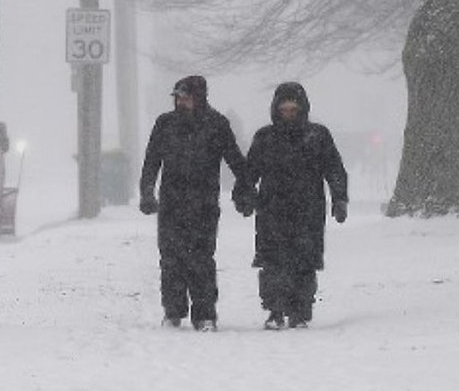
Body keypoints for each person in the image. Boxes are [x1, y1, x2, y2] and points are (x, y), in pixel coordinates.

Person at [139, 75, 253, 331]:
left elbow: (235, 159)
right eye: (178, 98)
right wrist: (147, 192)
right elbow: (151, 161)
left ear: (199, 98)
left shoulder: (216, 124)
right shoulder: (164, 124)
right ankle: (173, 311)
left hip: (203, 204)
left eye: (187, 98)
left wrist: (245, 189)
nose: (182, 102)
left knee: (201, 259)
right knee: (170, 259)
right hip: (171, 203)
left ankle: (204, 314)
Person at [242, 81, 348, 330]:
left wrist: (339, 198)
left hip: (308, 209)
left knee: (304, 261)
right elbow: (249, 172)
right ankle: (275, 310)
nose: (289, 114)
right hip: (272, 209)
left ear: (302, 109)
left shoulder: (318, 136)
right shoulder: (265, 137)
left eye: (293, 109)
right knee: (273, 262)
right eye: (284, 109)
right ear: (276, 109)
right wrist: (245, 196)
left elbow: (334, 168)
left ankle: (300, 311)